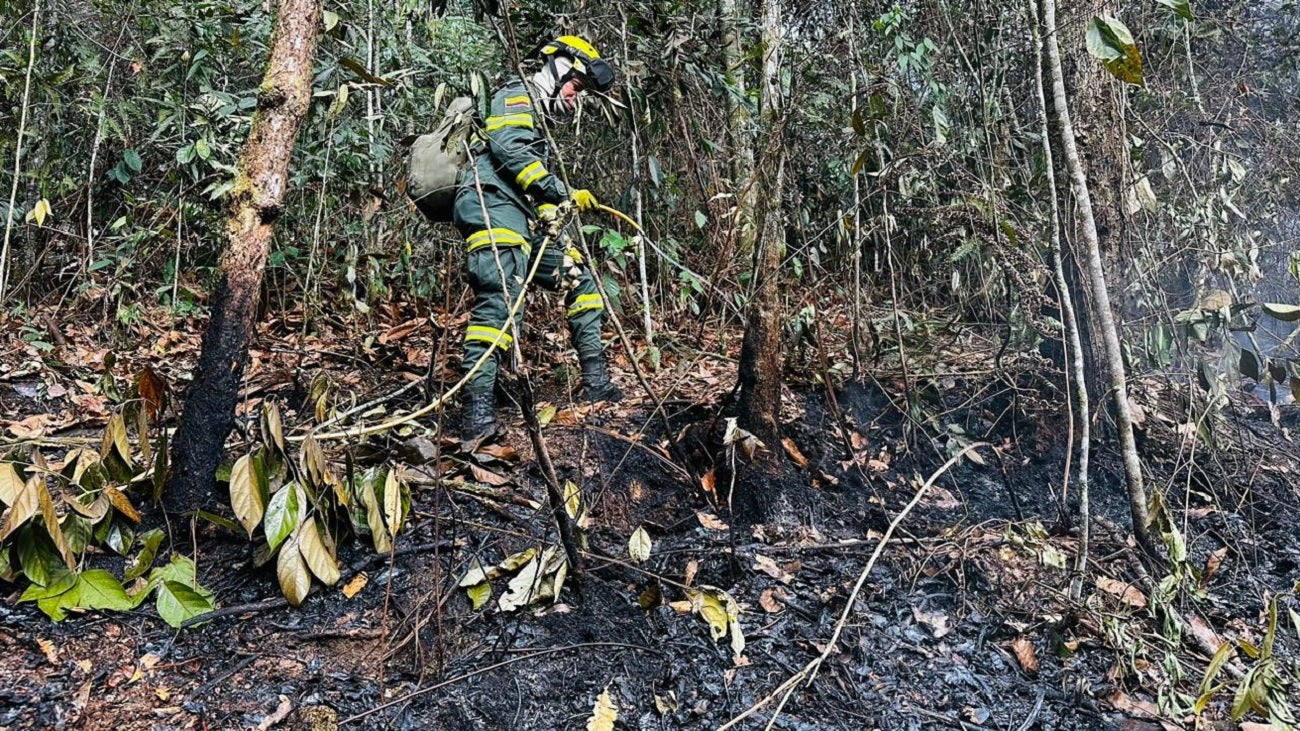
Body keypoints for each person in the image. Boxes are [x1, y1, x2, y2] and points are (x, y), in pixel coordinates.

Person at [453, 34, 623, 444]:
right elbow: (510, 152)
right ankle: (476, 412)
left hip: (519, 213)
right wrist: (560, 190)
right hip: (490, 202)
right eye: (576, 87)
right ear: (560, 69)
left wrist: (551, 212)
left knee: (578, 276)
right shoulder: (517, 94)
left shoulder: (540, 121)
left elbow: (527, 177)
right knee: (501, 296)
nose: (575, 98)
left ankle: (596, 381)